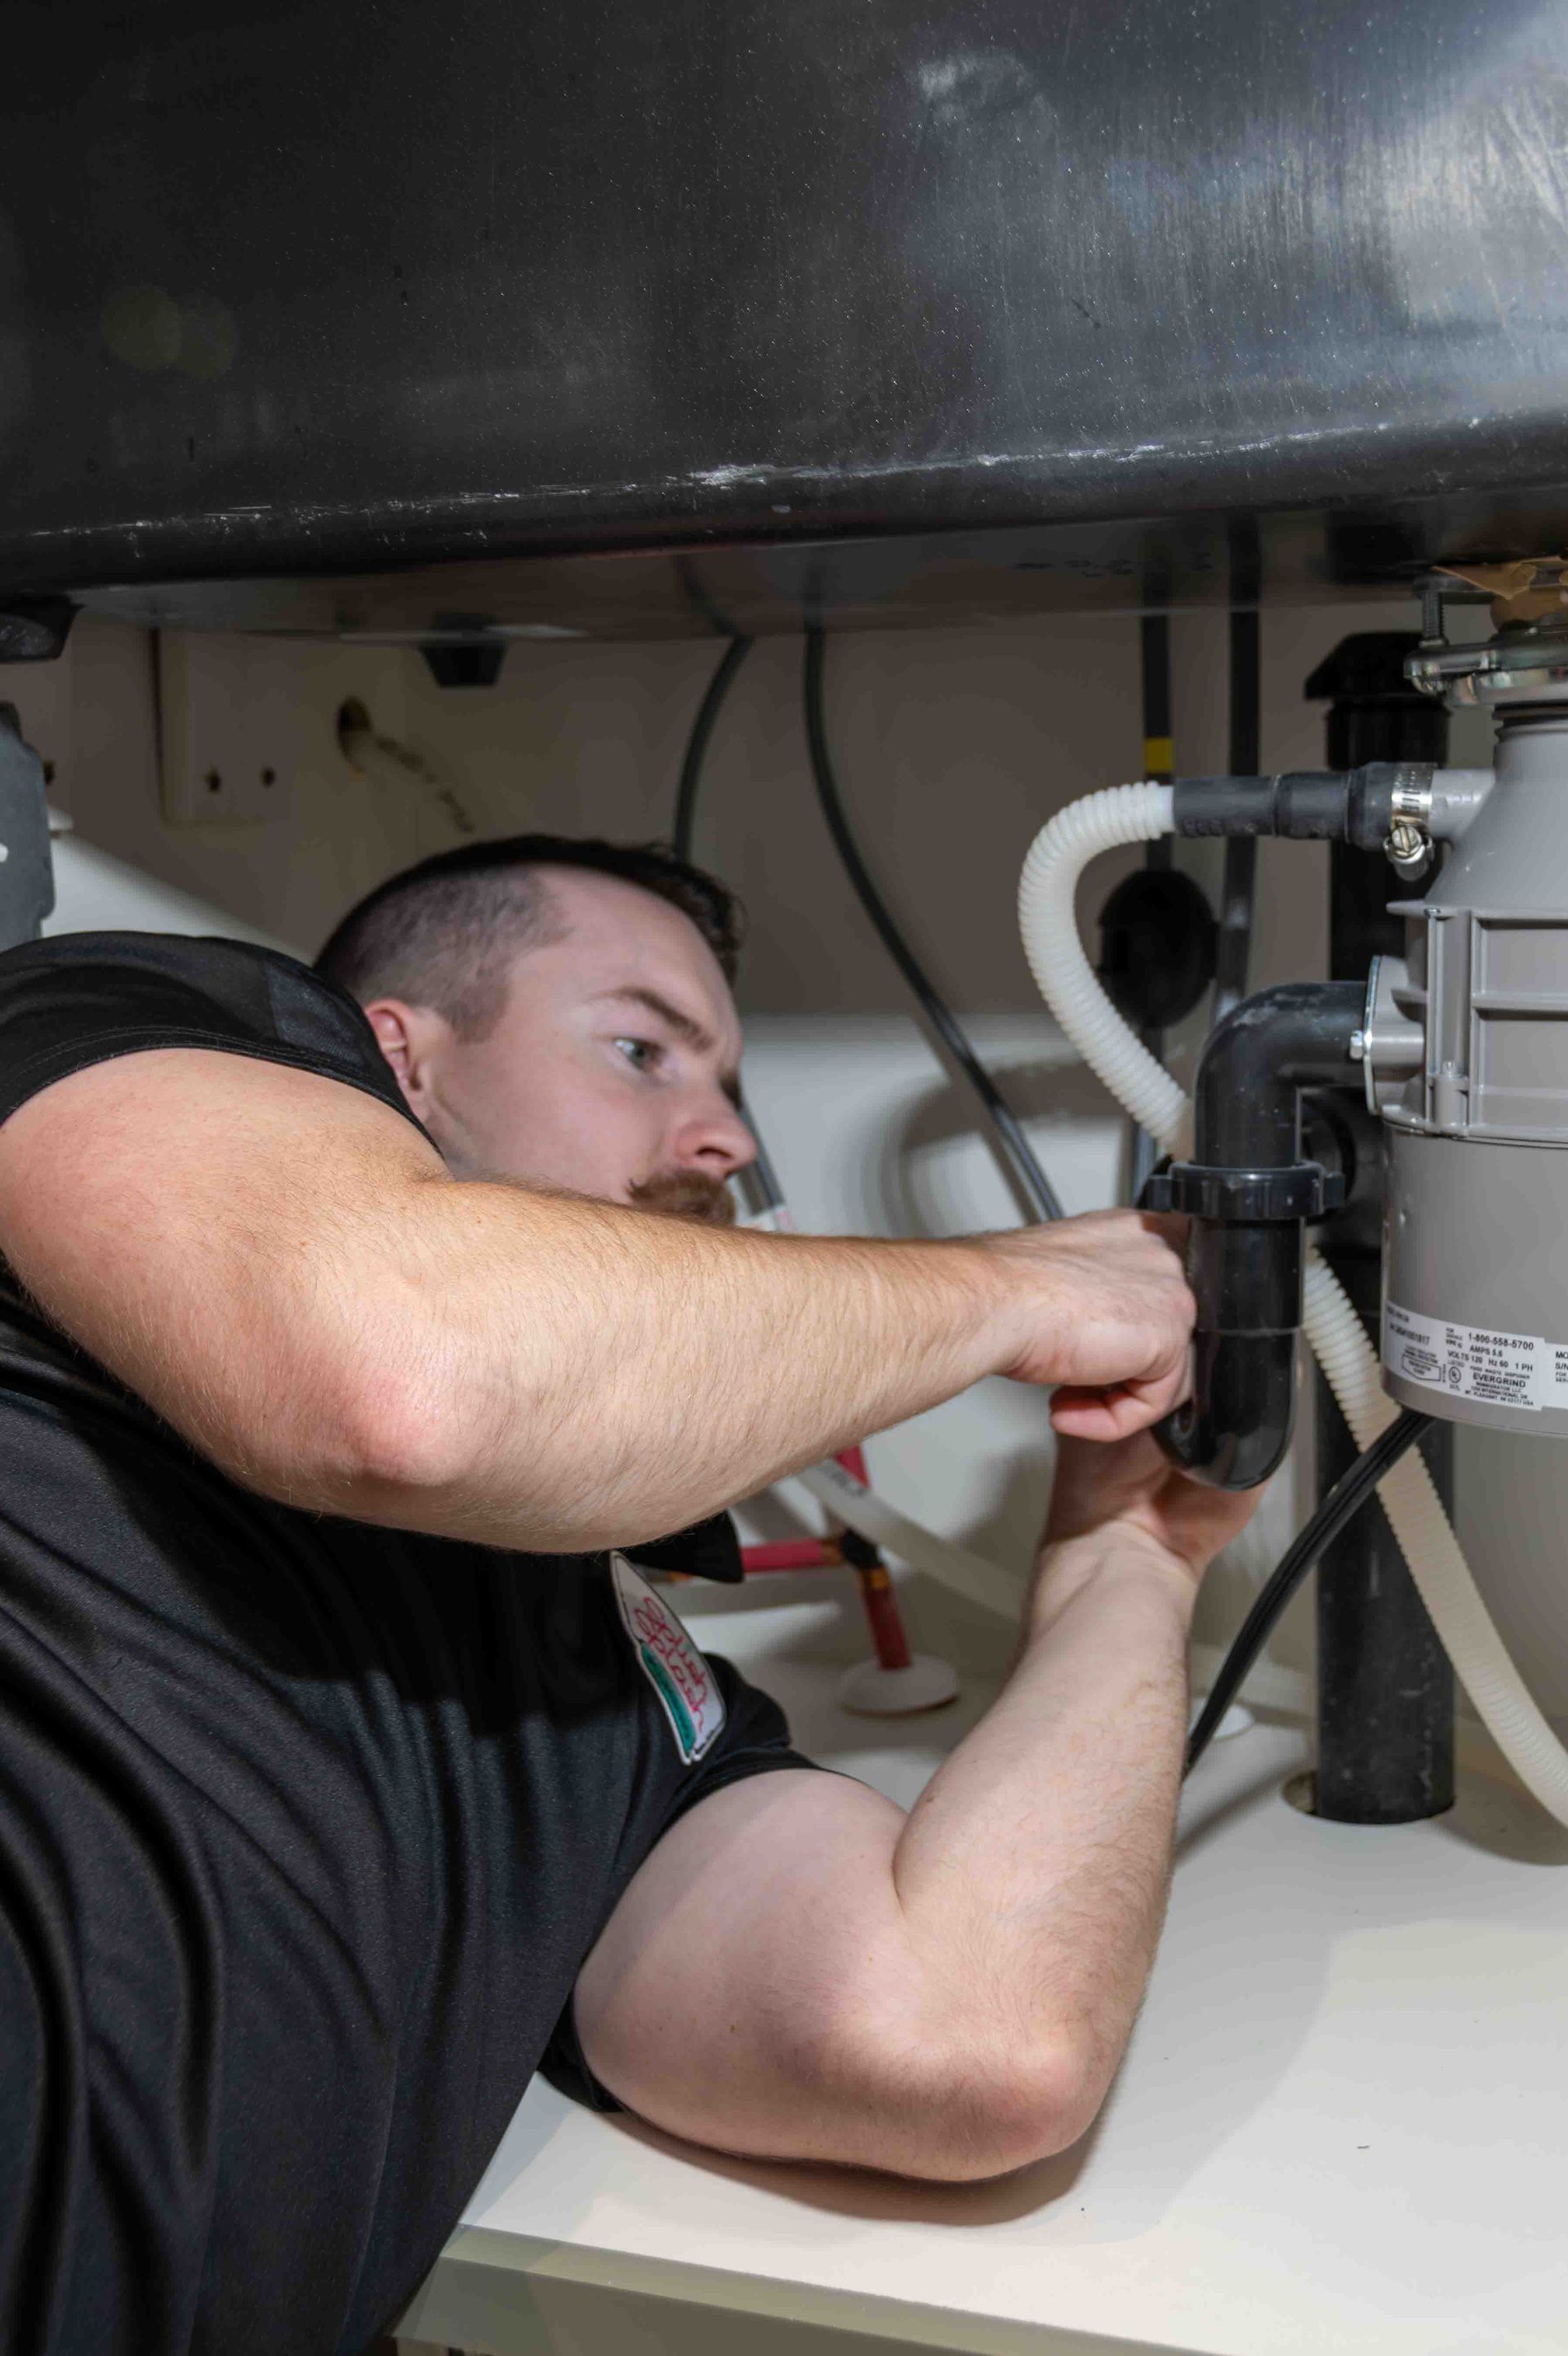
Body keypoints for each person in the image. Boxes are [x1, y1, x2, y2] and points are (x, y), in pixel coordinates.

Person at [0, 832, 1253, 2355]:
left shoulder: (607, 1676)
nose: (719, 1135)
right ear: (396, 1054)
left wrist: (1135, 1545)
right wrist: (1018, 1285)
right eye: (640, 1045)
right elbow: (412, 1375)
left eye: (727, 1088)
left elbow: (969, 2043)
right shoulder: (122, 1015)